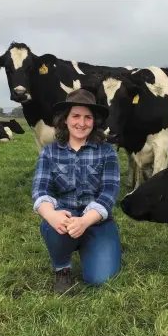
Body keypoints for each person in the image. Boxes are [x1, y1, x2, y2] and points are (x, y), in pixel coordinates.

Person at [31, 88, 121, 294]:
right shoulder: (49, 152)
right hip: (65, 219)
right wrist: (50, 214)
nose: (82, 123)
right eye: (76, 116)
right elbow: (40, 188)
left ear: (95, 121)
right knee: (54, 226)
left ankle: (92, 244)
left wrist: (85, 221)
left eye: (88, 117)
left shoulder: (107, 152)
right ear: (65, 119)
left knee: (99, 279)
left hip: (96, 222)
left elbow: (109, 192)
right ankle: (62, 268)